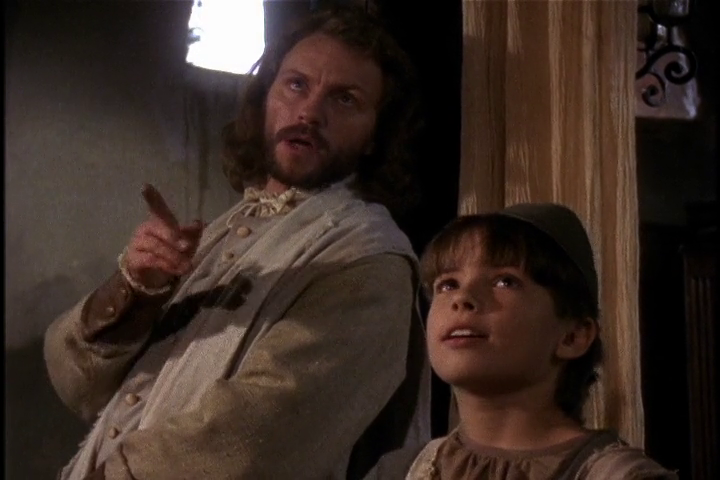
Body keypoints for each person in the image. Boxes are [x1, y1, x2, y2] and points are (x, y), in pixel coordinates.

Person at [44, 6, 431, 480]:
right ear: (266, 96)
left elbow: (259, 437)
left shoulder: (368, 260)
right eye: (296, 85)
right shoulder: (224, 233)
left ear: (376, 135)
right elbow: (78, 384)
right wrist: (135, 292)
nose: (309, 112)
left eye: (345, 99)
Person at [365, 203, 677, 479]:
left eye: (505, 281)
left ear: (573, 336)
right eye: (448, 284)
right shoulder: (400, 471)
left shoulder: (617, 475)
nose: (462, 298)